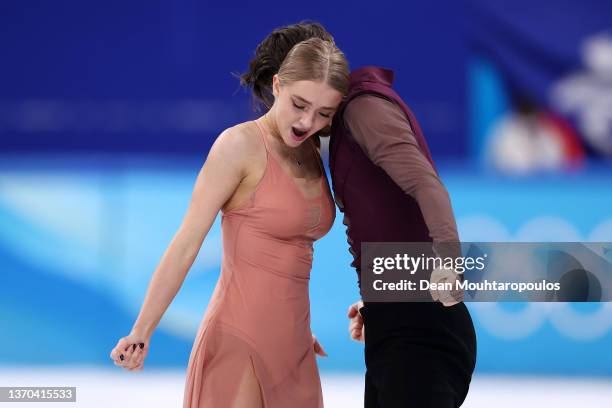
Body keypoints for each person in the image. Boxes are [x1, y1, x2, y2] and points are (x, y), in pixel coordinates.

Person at [108, 23, 350, 407]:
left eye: (323, 114)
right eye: (299, 105)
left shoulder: (312, 152)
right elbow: (187, 242)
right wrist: (143, 329)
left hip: (296, 347)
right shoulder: (239, 146)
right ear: (277, 85)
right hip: (238, 342)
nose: (308, 123)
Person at [332, 66, 477, 407]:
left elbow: (426, 184)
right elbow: (389, 213)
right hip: (398, 325)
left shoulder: (362, 107)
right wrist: (384, 295)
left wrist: (448, 261)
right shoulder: (345, 119)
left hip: (420, 331)